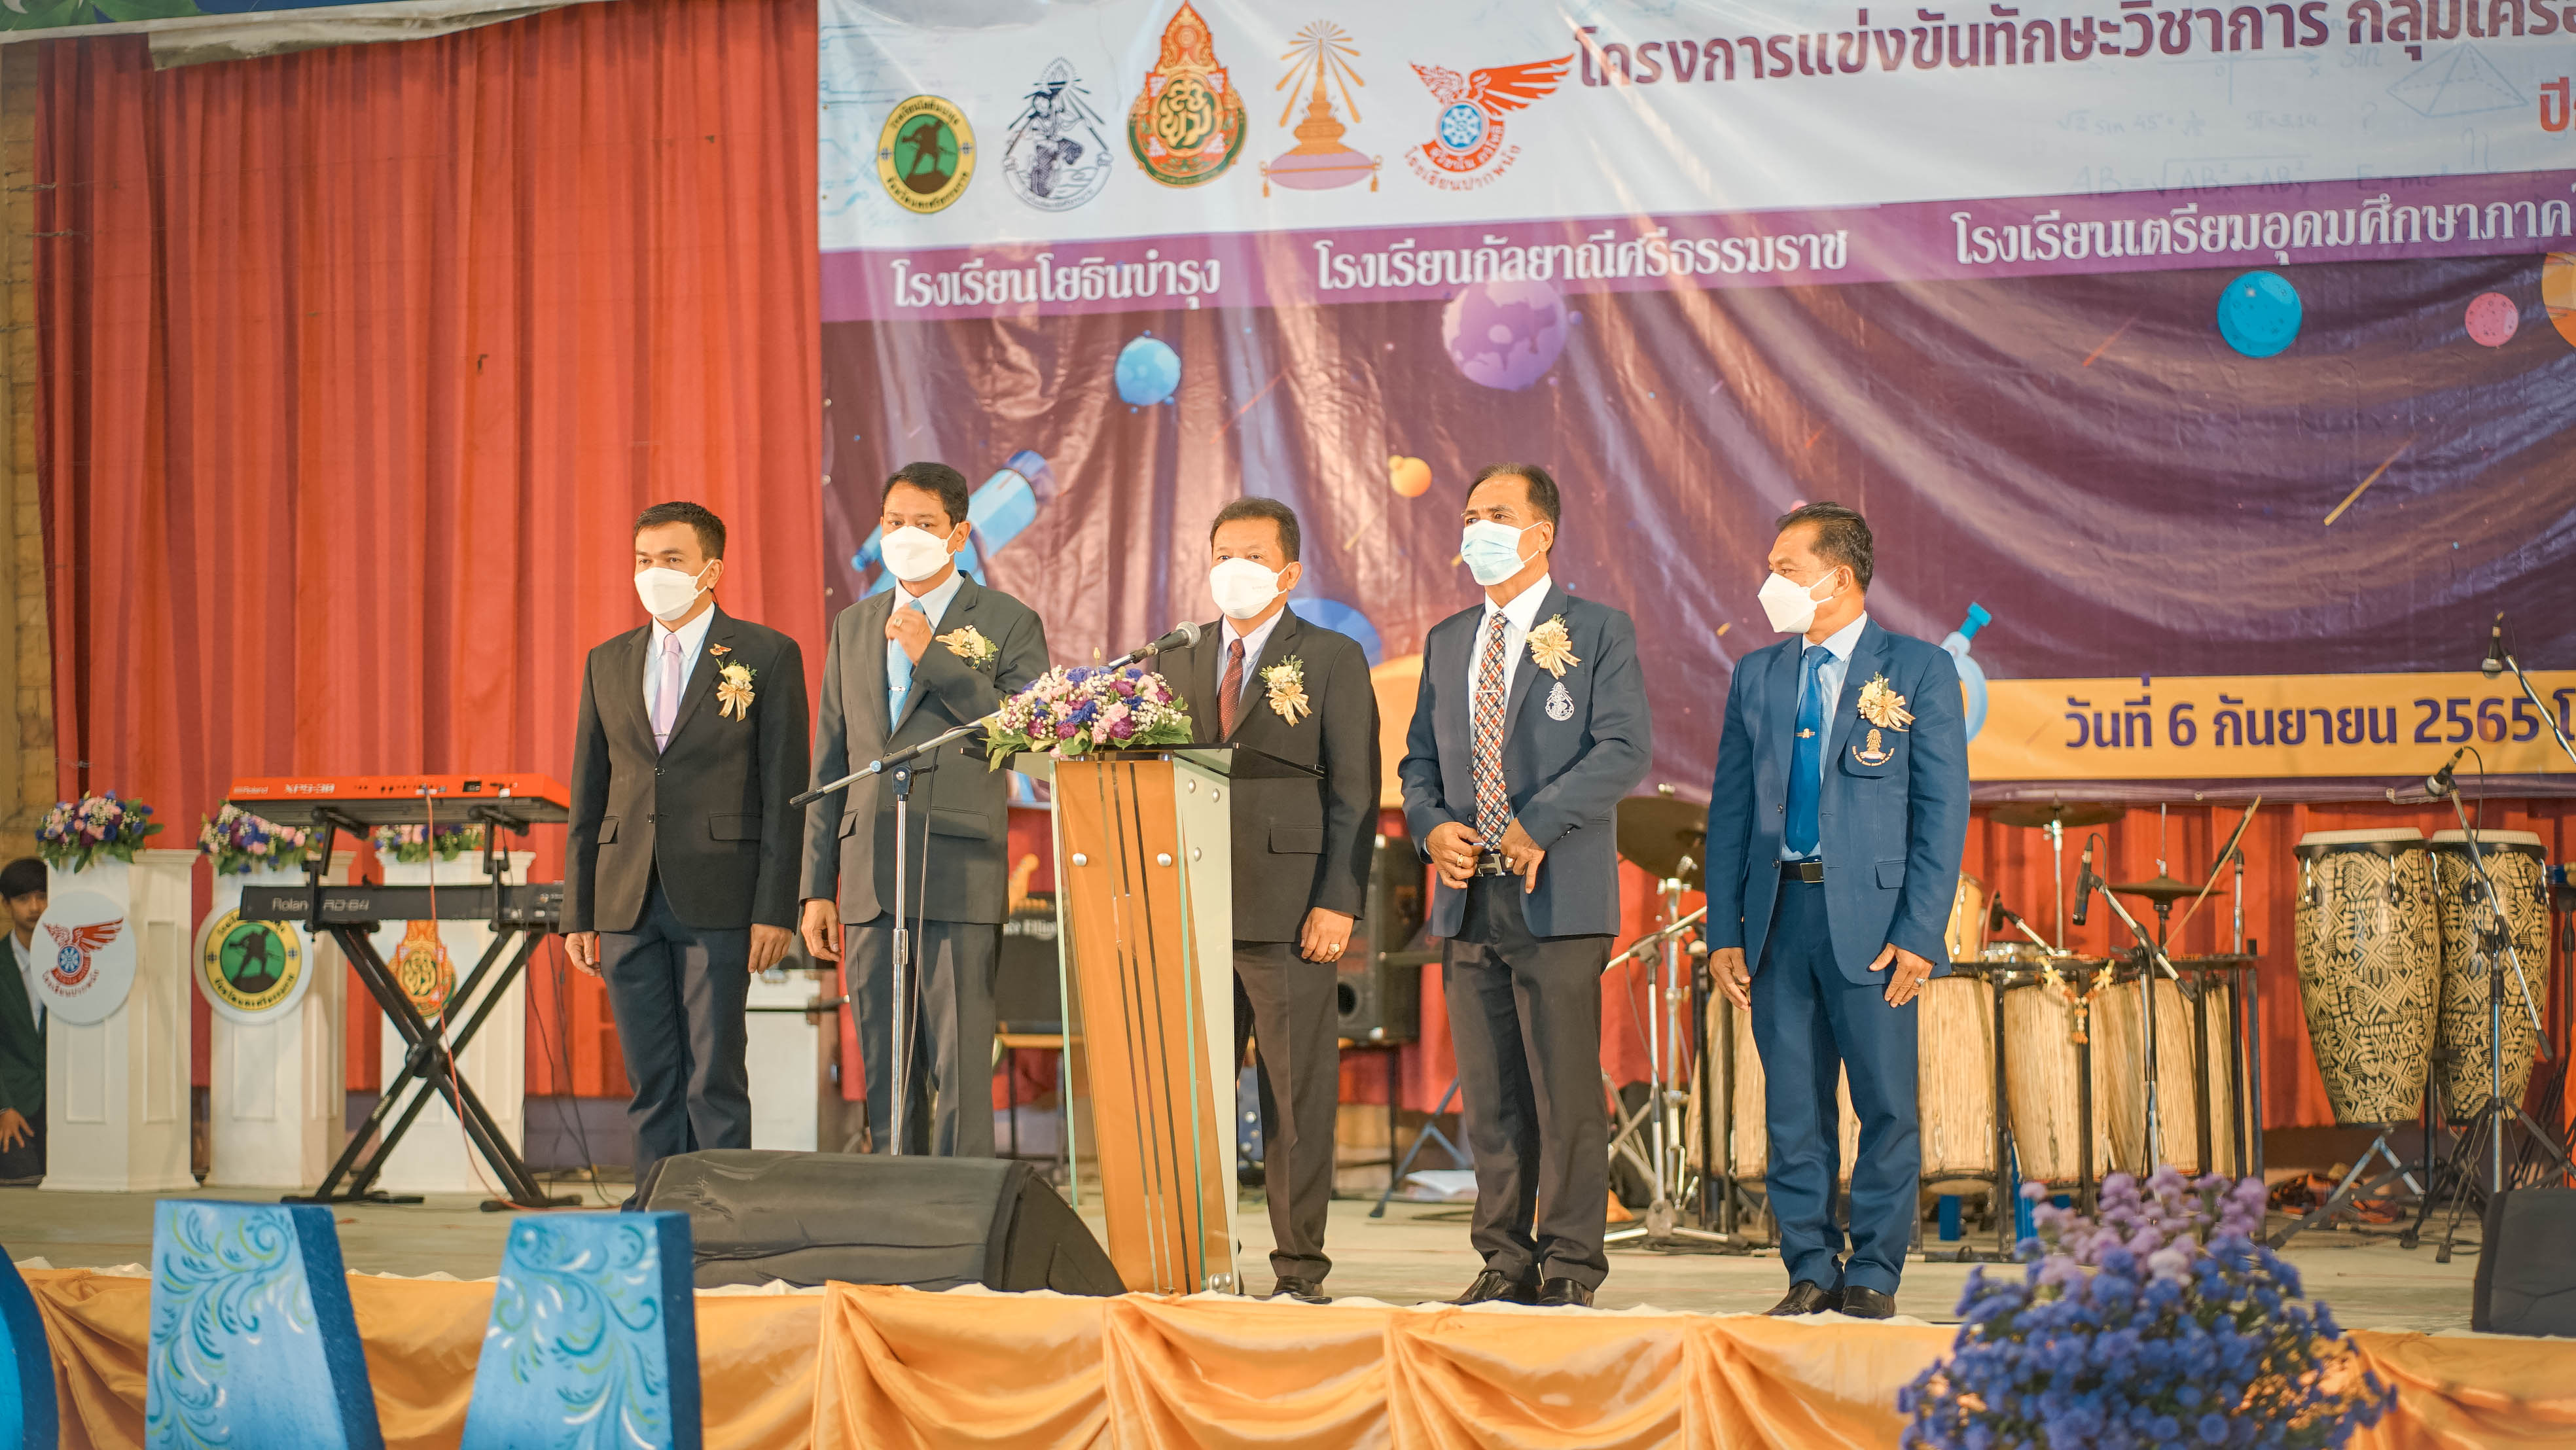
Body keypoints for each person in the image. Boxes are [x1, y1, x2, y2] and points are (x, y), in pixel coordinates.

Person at [1702, 502, 1969, 1320]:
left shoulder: (1917, 668)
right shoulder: (1757, 673)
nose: (1769, 584)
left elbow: (1942, 810)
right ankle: (1811, 1266)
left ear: (1839, 578)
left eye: (1786, 569)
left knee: (1885, 1104)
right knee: (1793, 1107)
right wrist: (1723, 929)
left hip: (1876, 925)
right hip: (1778, 917)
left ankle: (1876, 1270)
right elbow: (1731, 810)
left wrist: (1920, 931)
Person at [1399, 463, 1651, 1309]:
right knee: (1493, 1096)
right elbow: (1418, 762)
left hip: (1558, 890)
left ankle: (1571, 1261)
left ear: (1541, 533)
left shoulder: (1597, 629)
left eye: (1497, 515)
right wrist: (1432, 827)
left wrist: (1536, 823)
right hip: (1469, 897)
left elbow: (1623, 748)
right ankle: (1505, 1258)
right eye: (1471, 514)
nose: (1478, 529)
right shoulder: (1448, 640)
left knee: (1565, 1089)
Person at [1157, 497, 1378, 1305]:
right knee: (1195, 1103)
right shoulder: (1178, 655)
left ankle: (1298, 1270)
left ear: (1288, 572)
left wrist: (1337, 901)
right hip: (1192, 908)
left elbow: (1355, 790)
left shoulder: (1329, 656)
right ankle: (1199, 1264)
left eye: (1251, 555)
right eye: (1222, 554)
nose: (1233, 569)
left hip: (1291, 916)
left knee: (1294, 1100)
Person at [800, 463, 1050, 1158]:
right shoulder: (854, 624)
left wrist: (931, 657)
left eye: (924, 523)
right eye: (893, 522)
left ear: (959, 534)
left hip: (958, 864)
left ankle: (960, 1206)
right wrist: (816, 885)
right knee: (885, 1063)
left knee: (962, 1062)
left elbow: (1025, 733)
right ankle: (894, 1201)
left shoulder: (1007, 620)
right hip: (868, 873)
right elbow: (831, 760)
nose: (904, 535)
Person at [565, 501, 809, 1197]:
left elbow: (785, 791)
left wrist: (775, 907)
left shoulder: (765, 654)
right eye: (644, 560)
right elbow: (589, 793)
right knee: (651, 1077)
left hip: (721, 894)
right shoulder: (608, 660)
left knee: (714, 1073)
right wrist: (578, 910)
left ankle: (723, 1215)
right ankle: (656, 1215)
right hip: (626, 895)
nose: (654, 573)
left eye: (671, 559)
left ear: (711, 569)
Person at [0, 857, 46, 1185]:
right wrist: (4, 1108)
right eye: (23, 898)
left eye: (42, 896)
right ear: (6, 904)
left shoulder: (74, 960)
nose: (35, 907)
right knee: (24, 1180)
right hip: (13, 1104)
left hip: (66, 1105)